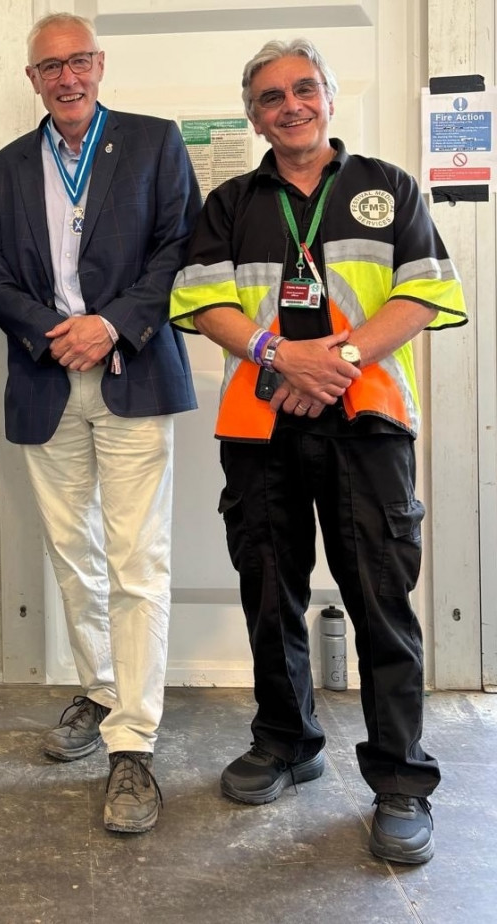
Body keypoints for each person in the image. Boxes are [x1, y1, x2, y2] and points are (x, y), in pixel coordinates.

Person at [170, 38, 467, 864]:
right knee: (269, 590)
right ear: (253, 115)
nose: (289, 105)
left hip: (367, 421)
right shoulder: (230, 201)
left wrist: (331, 362)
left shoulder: (387, 187)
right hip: (261, 424)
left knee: (382, 600)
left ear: (329, 99)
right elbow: (201, 304)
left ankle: (402, 782)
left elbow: (424, 294)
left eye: (304, 90)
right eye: (270, 97)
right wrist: (280, 357)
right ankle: (287, 742)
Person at [0, 13, 200, 834]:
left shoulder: (152, 143)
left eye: (78, 63)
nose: (66, 79)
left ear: (99, 65)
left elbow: (179, 248)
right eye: (49, 68)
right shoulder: (2, 172)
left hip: (131, 368)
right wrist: (48, 332)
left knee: (137, 557)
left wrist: (110, 323)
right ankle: (102, 689)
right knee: (77, 555)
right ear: (31, 79)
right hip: (46, 379)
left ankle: (133, 742)